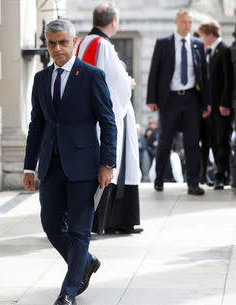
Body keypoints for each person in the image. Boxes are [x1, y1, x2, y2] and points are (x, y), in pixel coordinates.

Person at [23, 18, 117, 305]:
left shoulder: (91, 75)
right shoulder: (40, 79)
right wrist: (29, 167)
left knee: (79, 231)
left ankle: (69, 290)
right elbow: (36, 125)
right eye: (52, 43)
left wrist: (107, 163)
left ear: (74, 42)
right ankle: (86, 263)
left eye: (63, 42)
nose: (58, 48)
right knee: (51, 225)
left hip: (84, 165)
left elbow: (108, 122)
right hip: (50, 165)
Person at [76, 1, 142, 235]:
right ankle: (114, 220)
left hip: (85, 115)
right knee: (115, 165)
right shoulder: (103, 44)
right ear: (113, 23)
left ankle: (98, 221)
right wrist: (130, 83)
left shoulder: (82, 42)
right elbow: (117, 82)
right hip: (105, 116)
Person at [147, 9, 209, 195]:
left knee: (192, 142)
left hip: (191, 99)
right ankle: (159, 178)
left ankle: (193, 183)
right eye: (184, 22)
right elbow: (154, 72)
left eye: (190, 22)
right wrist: (152, 99)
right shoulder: (163, 43)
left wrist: (206, 103)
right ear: (176, 22)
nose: (187, 25)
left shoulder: (198, 44)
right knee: (165, 141)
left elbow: (204, 77)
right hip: (170, 100)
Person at [197, 21, 234, 189]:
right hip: (211, 108)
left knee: (222, 141)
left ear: (210, 35)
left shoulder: (225, 50)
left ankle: (221, 175)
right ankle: (223, 174)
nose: (202, 39)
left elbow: (229, 80)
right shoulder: (209, 52)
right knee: (214, 141)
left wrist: (225, 103)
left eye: (203, 36)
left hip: (222, 107)